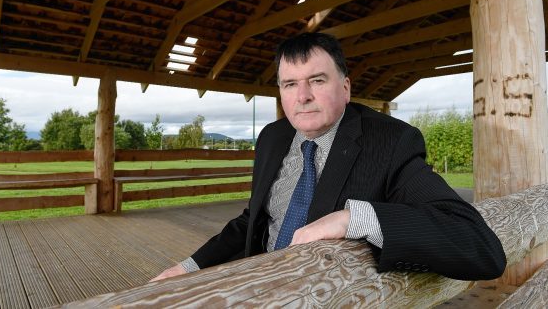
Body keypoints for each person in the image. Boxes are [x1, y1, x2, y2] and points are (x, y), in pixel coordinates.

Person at [151, 32, 506, 282]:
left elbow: (478, 246)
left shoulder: (391, 141)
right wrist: (190, 267)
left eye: (317, 80)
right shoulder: (272, 138)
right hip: (259, 286)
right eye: (290, 84)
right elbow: (253, 221)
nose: (302, 96)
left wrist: (354, 219)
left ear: (346, 87)